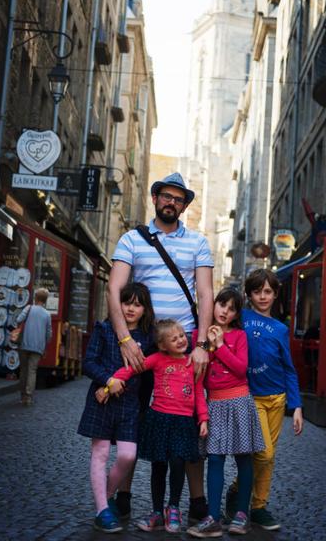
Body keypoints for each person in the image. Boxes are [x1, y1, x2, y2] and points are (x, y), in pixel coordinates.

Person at [107, 172, 214, 521]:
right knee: (133, 419)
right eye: (166, 196)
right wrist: (125, 338)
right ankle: (123, 494)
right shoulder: (131, 240)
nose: (171, 202)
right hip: (141, 345)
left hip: (183, 349)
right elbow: (114, 289)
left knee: (188, 421)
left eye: (178, 199)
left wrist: (200, 344)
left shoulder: (198, 243)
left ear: (184, 205)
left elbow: (206, 293)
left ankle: (197, 501)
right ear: (155, 198)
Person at [97, 319, 209, 534]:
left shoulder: (192, 362)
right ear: (162, 345)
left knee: (178, 464)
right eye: (173, 338)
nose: (180, 340)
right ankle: (157, 511)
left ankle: (173, 507)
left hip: (183, 421)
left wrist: (203, 418)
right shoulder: (156, 359)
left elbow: (199, 393)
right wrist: (110, 382)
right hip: (159, 419)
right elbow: (131, 370)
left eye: (181, 336)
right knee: (159, 466)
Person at [226, 269, 303, 532]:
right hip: (251, 398)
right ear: (248, 295)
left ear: (275, 294)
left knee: (269, 458)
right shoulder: (240, 318)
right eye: (257, 291)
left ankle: (258, 507)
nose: (263, 296)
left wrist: (297, 407)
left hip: (277, 399)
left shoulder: (281, 329)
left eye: (268, 291)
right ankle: (238, 489)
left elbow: (289, 369)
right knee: (263, 452)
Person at [187, 287, 265, 538]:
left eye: (231, 309)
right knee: (216, 458)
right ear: (214, 305)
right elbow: (197, 379)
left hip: (239, 400)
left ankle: (242, 514)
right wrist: (202, 414)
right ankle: (213, 516)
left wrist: (220, 344)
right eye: (222, 305)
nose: (225, 311)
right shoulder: (199, 337)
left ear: (235, 314)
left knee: (244, 458)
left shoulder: (239, 336)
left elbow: (241, 369)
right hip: (215, 404)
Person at [78, 282, 155, 533]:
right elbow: (88, 363)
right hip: (102, 401)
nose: (131, 308)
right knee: (99, 454)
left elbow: (150, 371)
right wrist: (108, 381)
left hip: (130, 405)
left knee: (128, 456)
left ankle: (107, 495)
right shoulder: (104, 329)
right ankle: (102, 510)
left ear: (145, 309)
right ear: (117, 303)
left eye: (137, 304)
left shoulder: (148, 337)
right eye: (126, 302)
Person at [17, 287, 52, 406]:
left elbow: (18, 319)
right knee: (32, 371)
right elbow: (49, 333)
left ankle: (22, 395)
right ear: (45, 300)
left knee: (23, 370)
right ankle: (28, 397)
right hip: (38, 346)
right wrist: (45, 346)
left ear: (35, 298)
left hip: (25, 343)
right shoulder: (47, 314)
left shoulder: (29, 308)